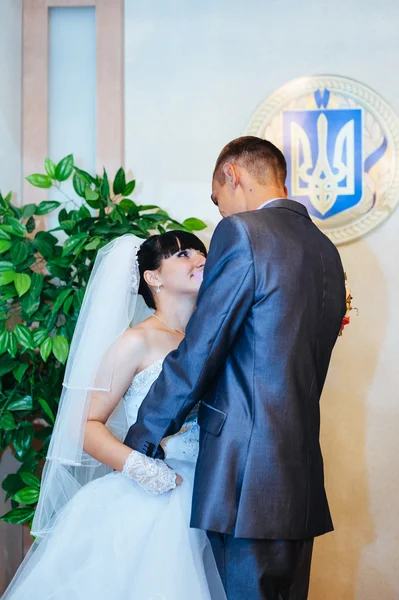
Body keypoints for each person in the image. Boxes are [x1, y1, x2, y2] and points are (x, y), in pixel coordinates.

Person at [124, 136, 347, 600]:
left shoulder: (243, 231)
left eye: (216, 199)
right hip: (299, 472)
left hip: (245, 477)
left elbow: (202, 349)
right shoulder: (326, 250)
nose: (220, 214)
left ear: (233, 176)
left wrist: (144, 435)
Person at [2, 231, 226, 600]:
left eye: (200, 252)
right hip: (159, 494)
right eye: (183, 254)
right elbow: (85, 425)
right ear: (153, 277)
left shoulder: (210, 337)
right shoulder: (136, 341)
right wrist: (145, 470)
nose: (199, 259)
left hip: (213, 491)